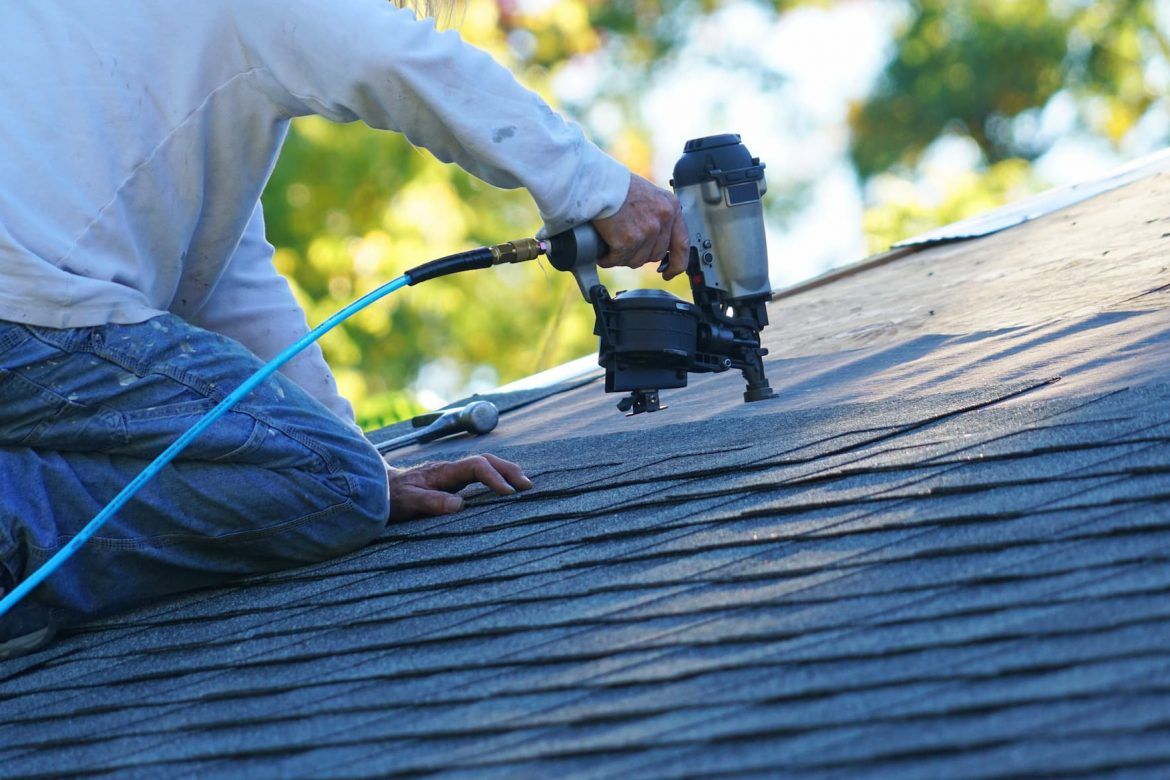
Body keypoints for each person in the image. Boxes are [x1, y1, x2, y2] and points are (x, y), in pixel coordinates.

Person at [0, 0, 689, 659]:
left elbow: (229, 279)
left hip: (30, 311)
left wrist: (361, 457)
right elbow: (394, 57)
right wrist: (601, 189)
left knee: (342, 476)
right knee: (333, 486)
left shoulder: (159, 63)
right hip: (29, 309)